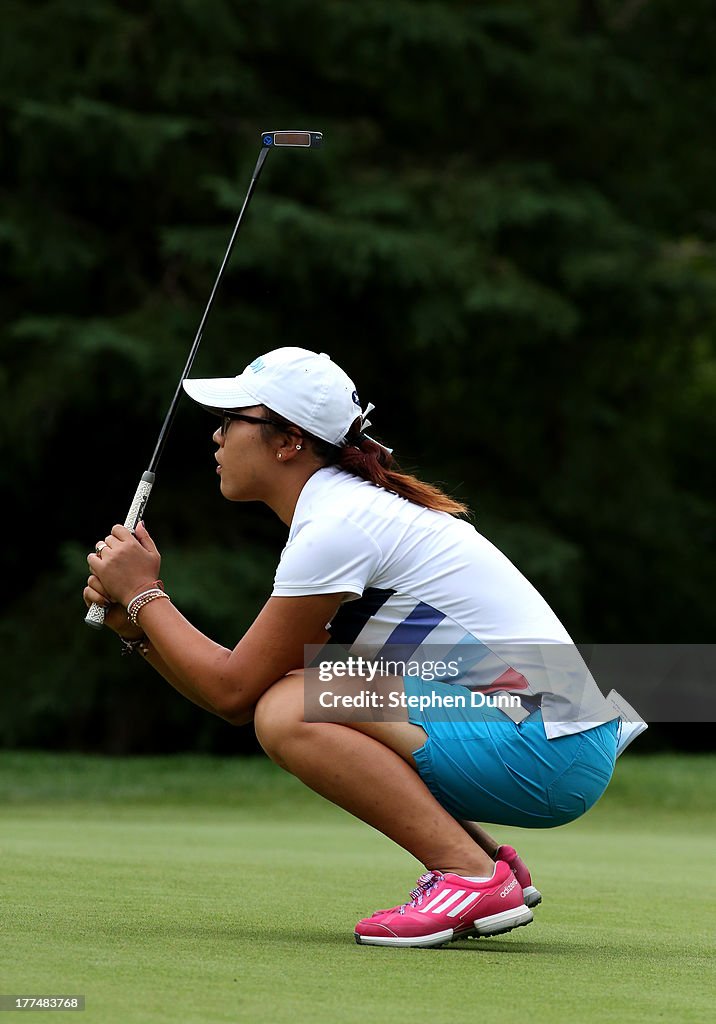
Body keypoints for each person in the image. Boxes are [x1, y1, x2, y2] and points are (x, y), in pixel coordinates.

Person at [84, 346, 621, 949]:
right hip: (560, 737)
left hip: (548, 749)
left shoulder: (337, 526)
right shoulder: (345, 511)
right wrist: (138, 625)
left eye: (234, 419)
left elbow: (235, 694)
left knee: (289, 708)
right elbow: (239, 689)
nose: (216, 435)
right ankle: (482, 864)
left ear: (288, 442)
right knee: (295, 694)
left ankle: (468, 875)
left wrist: (145, 596)